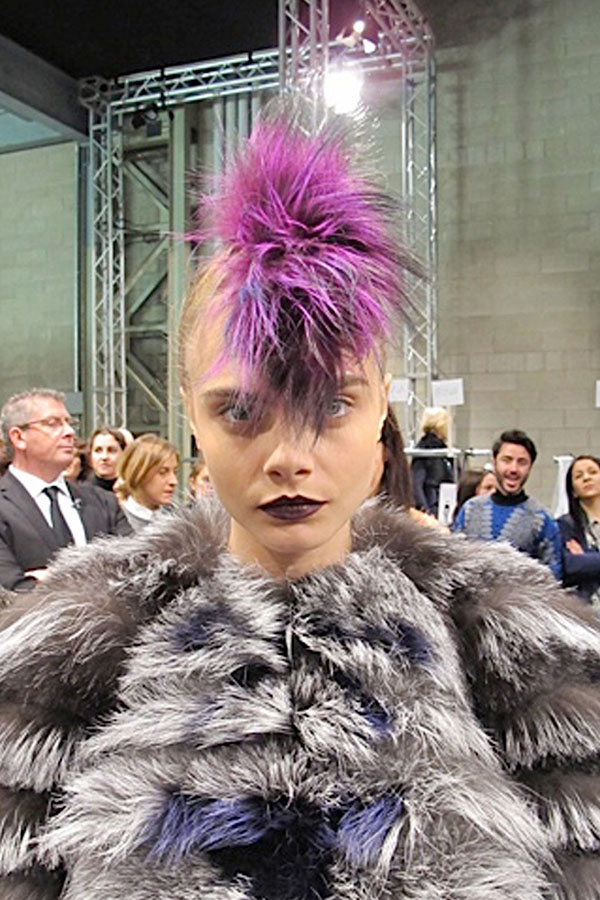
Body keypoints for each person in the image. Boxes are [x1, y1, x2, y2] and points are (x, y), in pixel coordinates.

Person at [0, 110, 599, 900]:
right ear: (190, 414)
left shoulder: (517, 643)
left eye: (333, 404)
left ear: (383, 406)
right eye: (241, 410)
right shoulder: (67, 649)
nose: (288, 456)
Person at [0, 388, 131, 591]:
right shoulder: (4, 506)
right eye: (53, 423)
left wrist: (55, 580)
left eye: (70, 423)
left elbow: (133, 573)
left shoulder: (104, 503)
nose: (69, 432)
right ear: (18, 437)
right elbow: (10, 590)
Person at [452, 428, 562, 579]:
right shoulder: (470, 510)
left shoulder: (541, 518)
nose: (513, 469)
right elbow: (453, 564)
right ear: (494, 462)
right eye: (507, 460)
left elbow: (553, 578)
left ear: (530, 467)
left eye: (522, 462)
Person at [557, 454, 600, 607]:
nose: (586, 478)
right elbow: (571, 565)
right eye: (578, 476)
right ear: (573, 490)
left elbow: (583, 563)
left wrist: (587, 557)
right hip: (589, 611)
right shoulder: (565, 525)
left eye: (593, 472)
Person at [113, 433, 179, 530]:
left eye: (175, 472)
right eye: (162, 472)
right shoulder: (115, 521)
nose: (174, 481)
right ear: (138, 473)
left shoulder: (178, 521)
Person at [410, 406, 454, 516]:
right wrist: (426, 512)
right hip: (433, 506)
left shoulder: (443, 449)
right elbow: (416, 484)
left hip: (444, 504)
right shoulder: (425, 450)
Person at [88, 426, 127, 491]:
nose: (104, 457)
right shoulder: (80, 493)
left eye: (111, 450)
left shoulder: (134, 491)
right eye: (98, 450)